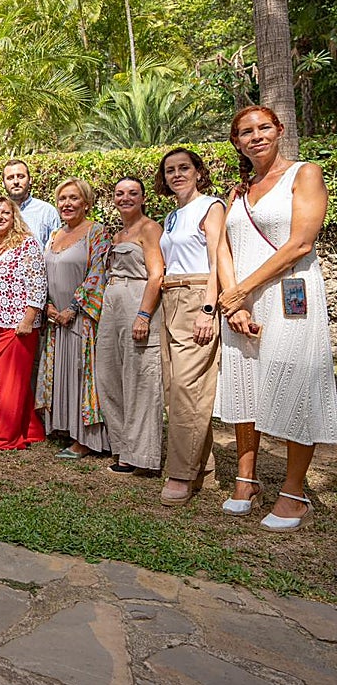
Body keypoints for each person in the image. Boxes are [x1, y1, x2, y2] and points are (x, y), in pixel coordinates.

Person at [215, 105, 337, 531]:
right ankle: (246, 479)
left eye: (264, 127)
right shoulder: (238, 191)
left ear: (279, 129)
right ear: (236, 142)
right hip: (243, 303)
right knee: (245, 384)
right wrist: (236, 304)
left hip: (291, 297)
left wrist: (241, 290)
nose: (256, 136)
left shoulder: (304, 174)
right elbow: (224, 248)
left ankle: (293, 491)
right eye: (245, 131)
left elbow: (301, 243)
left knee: (294, 383)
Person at [156, 148, 225, 506]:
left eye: (184, 168)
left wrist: (209, 309)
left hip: (197, 295)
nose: (177, 174)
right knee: (174, 388)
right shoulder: (172, 216)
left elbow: (219, 261)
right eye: (170, 170)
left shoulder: (211, 207)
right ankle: (204, 469)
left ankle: (180, 475)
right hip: (171, 298)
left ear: (199, 171)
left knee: (187, 388)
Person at [36, 177, 111, 458]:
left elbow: (98, 274)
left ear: (87, 203)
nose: (67, 204)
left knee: (82, 373)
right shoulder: (54, 235)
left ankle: (86, 438)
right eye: (62, 199)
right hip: (56, 318)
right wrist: (48, 306)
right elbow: (42, 274)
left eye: (74, 198)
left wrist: (73, 308)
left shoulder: (97, 232)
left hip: (82, 318)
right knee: (59, 372)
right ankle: (64, 428)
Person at [95, 177, 164, 475]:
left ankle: (143, 457)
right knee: (108, 375)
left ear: (143, 197)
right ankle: (122, 447)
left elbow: (157, 275)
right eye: (120, 193)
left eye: (133, 193)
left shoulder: (150, 228)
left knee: (140, 378)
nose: (126, 198)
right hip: (111, 304)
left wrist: (144, 315)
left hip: (137, 301)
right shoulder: (119, 233)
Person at [0, 196, 47, 451]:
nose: (0, 217)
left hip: (18, 323)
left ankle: (3, 438)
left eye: (5, 212)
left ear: (14, 216)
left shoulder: (26, 245)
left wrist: (28, 318)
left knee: (11, 381)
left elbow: (38, 283)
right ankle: (31, 429)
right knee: (6, 379)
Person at [3, 159, 60, 249]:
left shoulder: (47, 211)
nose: (16, 181)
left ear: (30, 180)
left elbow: (56, 250)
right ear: (3, 183)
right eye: (10, 178)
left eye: (21, 176)